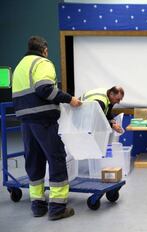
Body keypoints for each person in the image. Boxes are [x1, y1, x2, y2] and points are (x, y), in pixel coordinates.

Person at [12, 36, 82, 220]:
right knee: (56, 158)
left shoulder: (20, 66)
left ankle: (38, 205)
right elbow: (45, 89)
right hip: (43, 119)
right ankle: (58, 208)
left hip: (26, 120)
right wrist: (70, 99)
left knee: (34, 161)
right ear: (44, 50)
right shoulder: (42, 62)